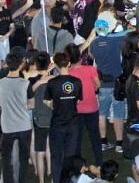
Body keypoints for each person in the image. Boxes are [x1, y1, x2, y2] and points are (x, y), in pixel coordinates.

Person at [44, 51, 84, 183]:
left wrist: (54, 105)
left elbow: (47, 101)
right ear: (69, 64)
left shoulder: (52, 83)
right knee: (70, 157)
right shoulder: (77, 82)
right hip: (73, 124)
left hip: (57, 124)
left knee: (56, 156)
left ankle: (56, 180)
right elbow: (78, 101)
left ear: (55, 64)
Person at [0, 51, 33, 183]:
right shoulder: (25, 83)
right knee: (24, 159)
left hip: (8, 126)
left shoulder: (0, 83)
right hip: (23, 125)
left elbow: (0, 102)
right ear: (21, 65)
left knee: (6, 159)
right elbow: (31, 104)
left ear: (7, 64)